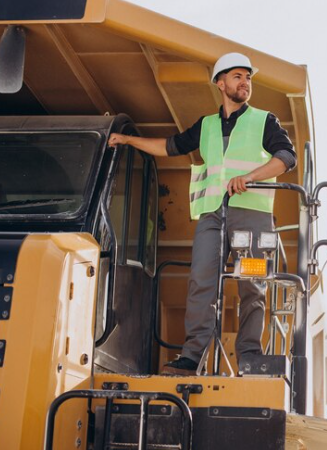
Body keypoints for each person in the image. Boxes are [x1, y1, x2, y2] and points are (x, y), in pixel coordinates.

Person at [108, 52, 296, 375]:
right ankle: (192, 357)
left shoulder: (264, 121)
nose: (245, 83)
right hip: (212, 215)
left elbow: (286, 157)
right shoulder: (207, 126)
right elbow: (171, 146)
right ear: (220, 83)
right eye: (237, 76)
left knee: (252, 284)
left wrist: (250, 177)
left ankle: (250, 355)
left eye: (248, 77)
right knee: (201, 283)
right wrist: (127, 139)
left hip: (251, 213)